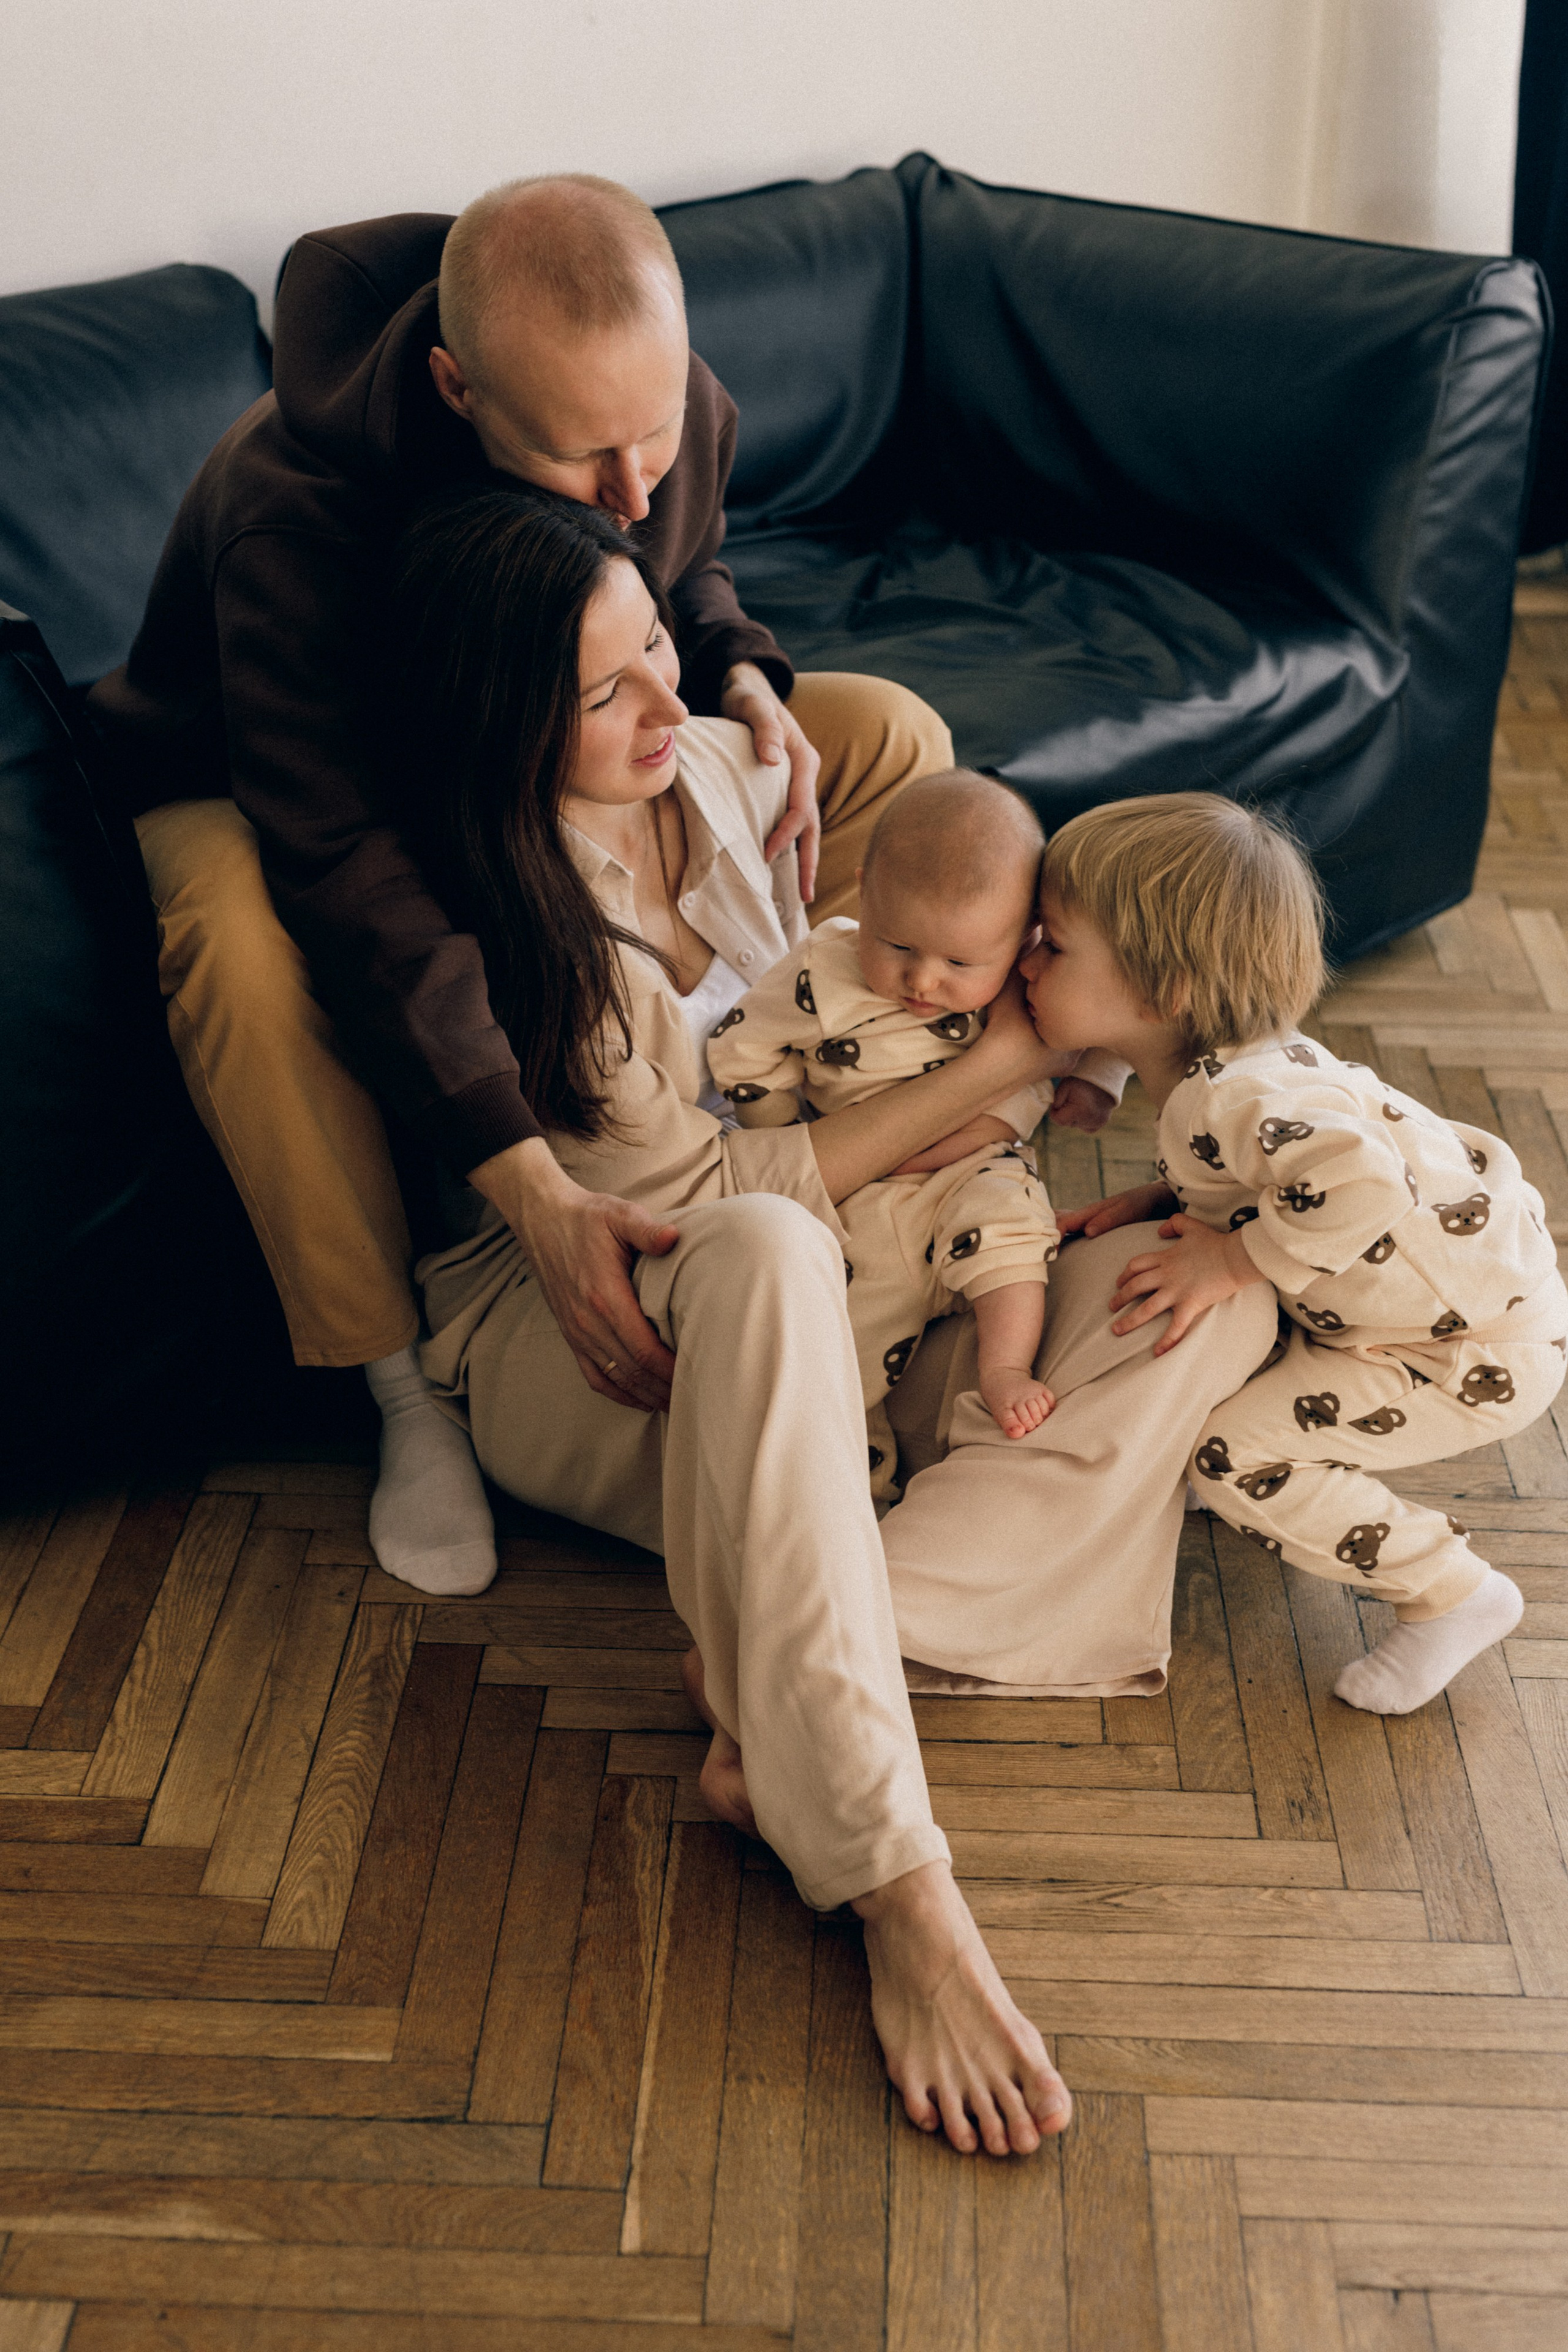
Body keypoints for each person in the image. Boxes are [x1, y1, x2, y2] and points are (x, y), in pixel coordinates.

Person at [392, 483, 1280, 2149]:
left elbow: (891, 999)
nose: (673, 702)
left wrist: (1209, 1227)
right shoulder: (529, 945)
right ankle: (890, 1873)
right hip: (613, 1333)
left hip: (875, 1273)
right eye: (606, 693)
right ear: (507, 723)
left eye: (657, 644)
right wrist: (1011, 1059)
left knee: (1193, 1303)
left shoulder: (723, 768)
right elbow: (730, 1210)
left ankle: (790, 1669)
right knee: (775, 1261)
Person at [87, 171, 1026, 1594]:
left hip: (565, 718)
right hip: (262, 777)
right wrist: (532, 1194)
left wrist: (732, 670)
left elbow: (673, 562)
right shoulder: (292, 516)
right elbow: (347, 858)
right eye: (586, 457)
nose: (633, 484)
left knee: (884, 729)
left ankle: (846, 1087)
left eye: (653, 433)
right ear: (459, 388)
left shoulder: (651, 411)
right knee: (240, 940)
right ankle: (402, 1388)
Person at [1017, 791, 1568, 1715]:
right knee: (1212, 1374)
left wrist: (1228, 1264)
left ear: (1162, 995)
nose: (1027, 959)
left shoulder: (1238, 1094)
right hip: (1429, 1302)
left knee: (1230, 1454)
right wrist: (1155, 1197)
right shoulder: (1219, 1065)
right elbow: (1261, 1185)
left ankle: (1451, 1593)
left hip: (1457, 1354)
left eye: (1053, 945)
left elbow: (1363, 1186)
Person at [709, 770, 1128, 1494]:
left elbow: (1115, 1005)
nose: (922, 982)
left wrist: (1098, 1080)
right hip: (868, 1188)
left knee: (1013, 1238)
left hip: (978, 1167)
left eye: (959, 963)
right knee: (853, 1326)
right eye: (897, 945)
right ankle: (852, 1473)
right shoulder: (820, 974)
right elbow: (743, 1047)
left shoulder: (1021, 972)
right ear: (865, 890)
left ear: (1027, 934)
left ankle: (1004, 1368)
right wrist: (782, 1135)